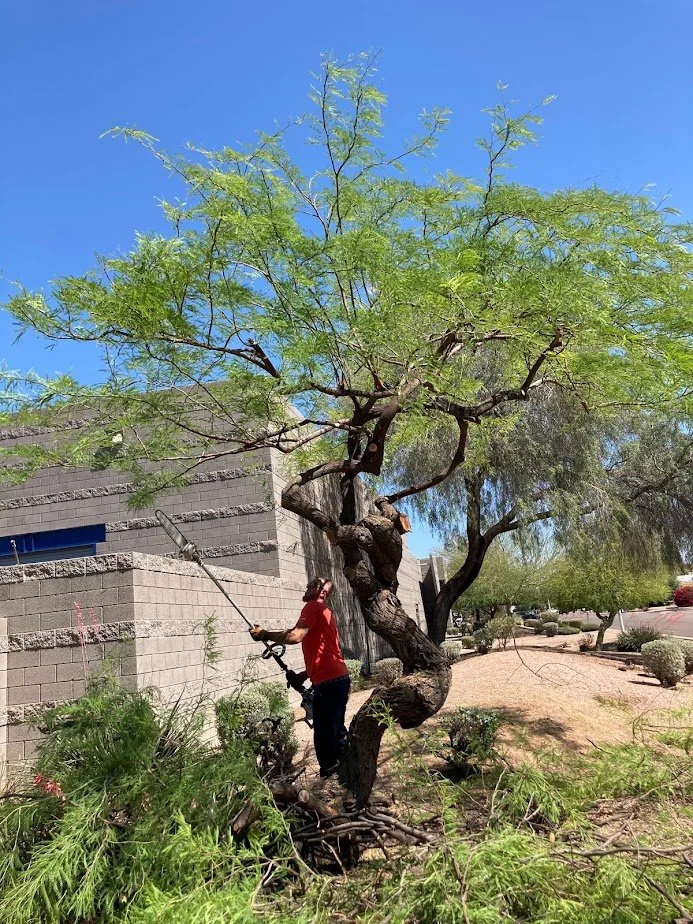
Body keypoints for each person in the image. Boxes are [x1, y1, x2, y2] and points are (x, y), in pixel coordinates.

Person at [249, 576, 350, 778]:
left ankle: (333, 776)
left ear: (322, 592)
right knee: (336, 731)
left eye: (313, 584)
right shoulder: (327, 613)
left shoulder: (313, 606)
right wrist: (304, 676)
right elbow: (327, 652)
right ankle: (346, 770)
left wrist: (265, 634)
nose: (307, 585)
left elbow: (295, 636)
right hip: (339, 679)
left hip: (329, 683)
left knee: (324, 736)